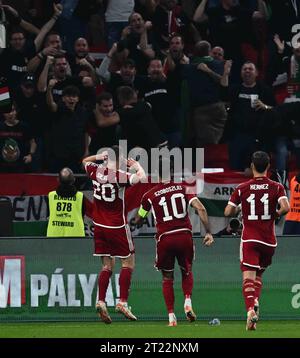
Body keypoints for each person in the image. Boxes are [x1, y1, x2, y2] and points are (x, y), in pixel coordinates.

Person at [135, 159, 214, 326]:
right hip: (184, 236)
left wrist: (140, 218)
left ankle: (171, 317)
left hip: (165, 239)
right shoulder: (184, 188)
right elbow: (201, 208)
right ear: (172, 172)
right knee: (187, 271)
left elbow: (138, 218)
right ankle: (187, 301)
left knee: (167, 278)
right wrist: (208, 232)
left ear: (155, 174)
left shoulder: (149, 195)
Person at [224, 151, 290, 330]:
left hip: (250, 239)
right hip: (269, 241)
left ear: (252, 166)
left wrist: (239, 208)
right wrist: (274, 214)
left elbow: (227, 212)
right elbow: (286, 207)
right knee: (258, 275)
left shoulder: (242, 187)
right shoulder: (277, 187)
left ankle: (250, 310)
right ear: (268, 167)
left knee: (247, 276)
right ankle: (255, 305)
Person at [82, 145, 146, 324]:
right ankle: (122, 302)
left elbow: (84, 162)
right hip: (116, 225)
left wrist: (98, 156)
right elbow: (141, 178)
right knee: (128, 261)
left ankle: (101, 301)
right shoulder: (118, 176)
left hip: (99, 225)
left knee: (107, 266)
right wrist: (135, 166)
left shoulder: (95, 170)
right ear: (118, 159)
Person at [47, 167, 85, 237]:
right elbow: (82, 215)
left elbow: (48, 215)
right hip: (76, 235)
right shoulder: (80, 196)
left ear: (58, 180)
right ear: (74, 180)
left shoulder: (51, 196)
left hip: (54, 235)